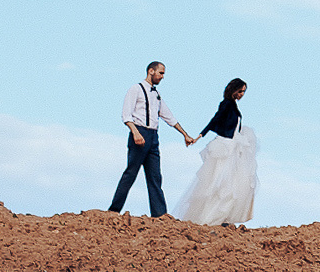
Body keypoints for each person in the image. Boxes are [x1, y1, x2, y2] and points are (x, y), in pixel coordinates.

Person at [109, 61, 195, 218]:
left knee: (155, 177)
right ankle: (113, 211)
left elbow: (168, 116)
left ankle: (160, 215)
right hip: (139, 134)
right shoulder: (136, 89)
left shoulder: (156, 94)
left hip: (153, 137)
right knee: (130, 174)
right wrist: (135, 133)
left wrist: (185, 134)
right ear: (151, 71)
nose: (162, 77)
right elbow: (126, 115)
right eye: (161, 73)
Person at [178, 77, 258, 227]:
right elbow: (215, 119)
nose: (242, 94)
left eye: (244, 92)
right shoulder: (227, 104)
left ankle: (223, 217)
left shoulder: (233, 106)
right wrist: (200, 135)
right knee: (220, 183)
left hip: (233, 147)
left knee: (231, 184)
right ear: (233, 90)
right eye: (240, 91)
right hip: (225, 148)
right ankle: (212, 218)